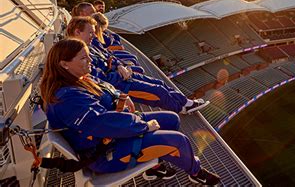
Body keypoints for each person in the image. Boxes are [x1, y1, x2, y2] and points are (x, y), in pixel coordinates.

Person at [40, 39, 220, 185]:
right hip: (104, 153)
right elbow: (103, 123)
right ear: (64, 64)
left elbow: (107, 88)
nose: (90, 62)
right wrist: (143, 126)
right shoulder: (67, 97)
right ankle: (195, 172)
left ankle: (154, 167)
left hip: (113, 135)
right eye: (83, 59)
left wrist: (122, 98)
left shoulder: (78, 79)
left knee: (172, 119)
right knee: (178, 141)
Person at [66, 16, 209, 114]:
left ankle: (186, 103)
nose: (93, 36)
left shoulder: (88, 45)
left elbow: (109, 57)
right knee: (158, 91)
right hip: (119, 85)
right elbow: (98, 79)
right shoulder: (76, 55)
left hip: (122, 76)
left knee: (160, 83)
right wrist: (119, 72)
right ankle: (181, 108)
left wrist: (121, 66)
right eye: (90, 33)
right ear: (77, 32)